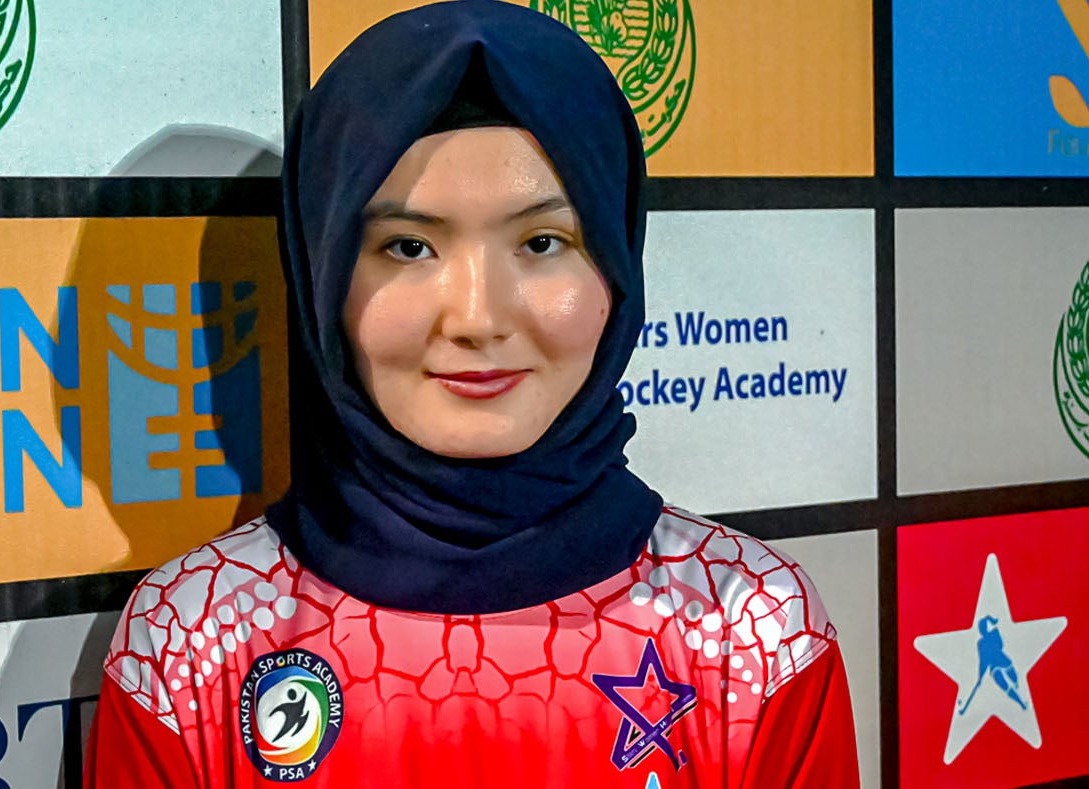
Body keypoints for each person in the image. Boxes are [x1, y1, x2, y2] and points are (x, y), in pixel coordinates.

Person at [84, 2, 860, 785]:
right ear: (321, 282)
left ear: (617, 270)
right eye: (407, 246)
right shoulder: (194, 637)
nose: (478, 317)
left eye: (541, 242)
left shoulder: (750, 628)